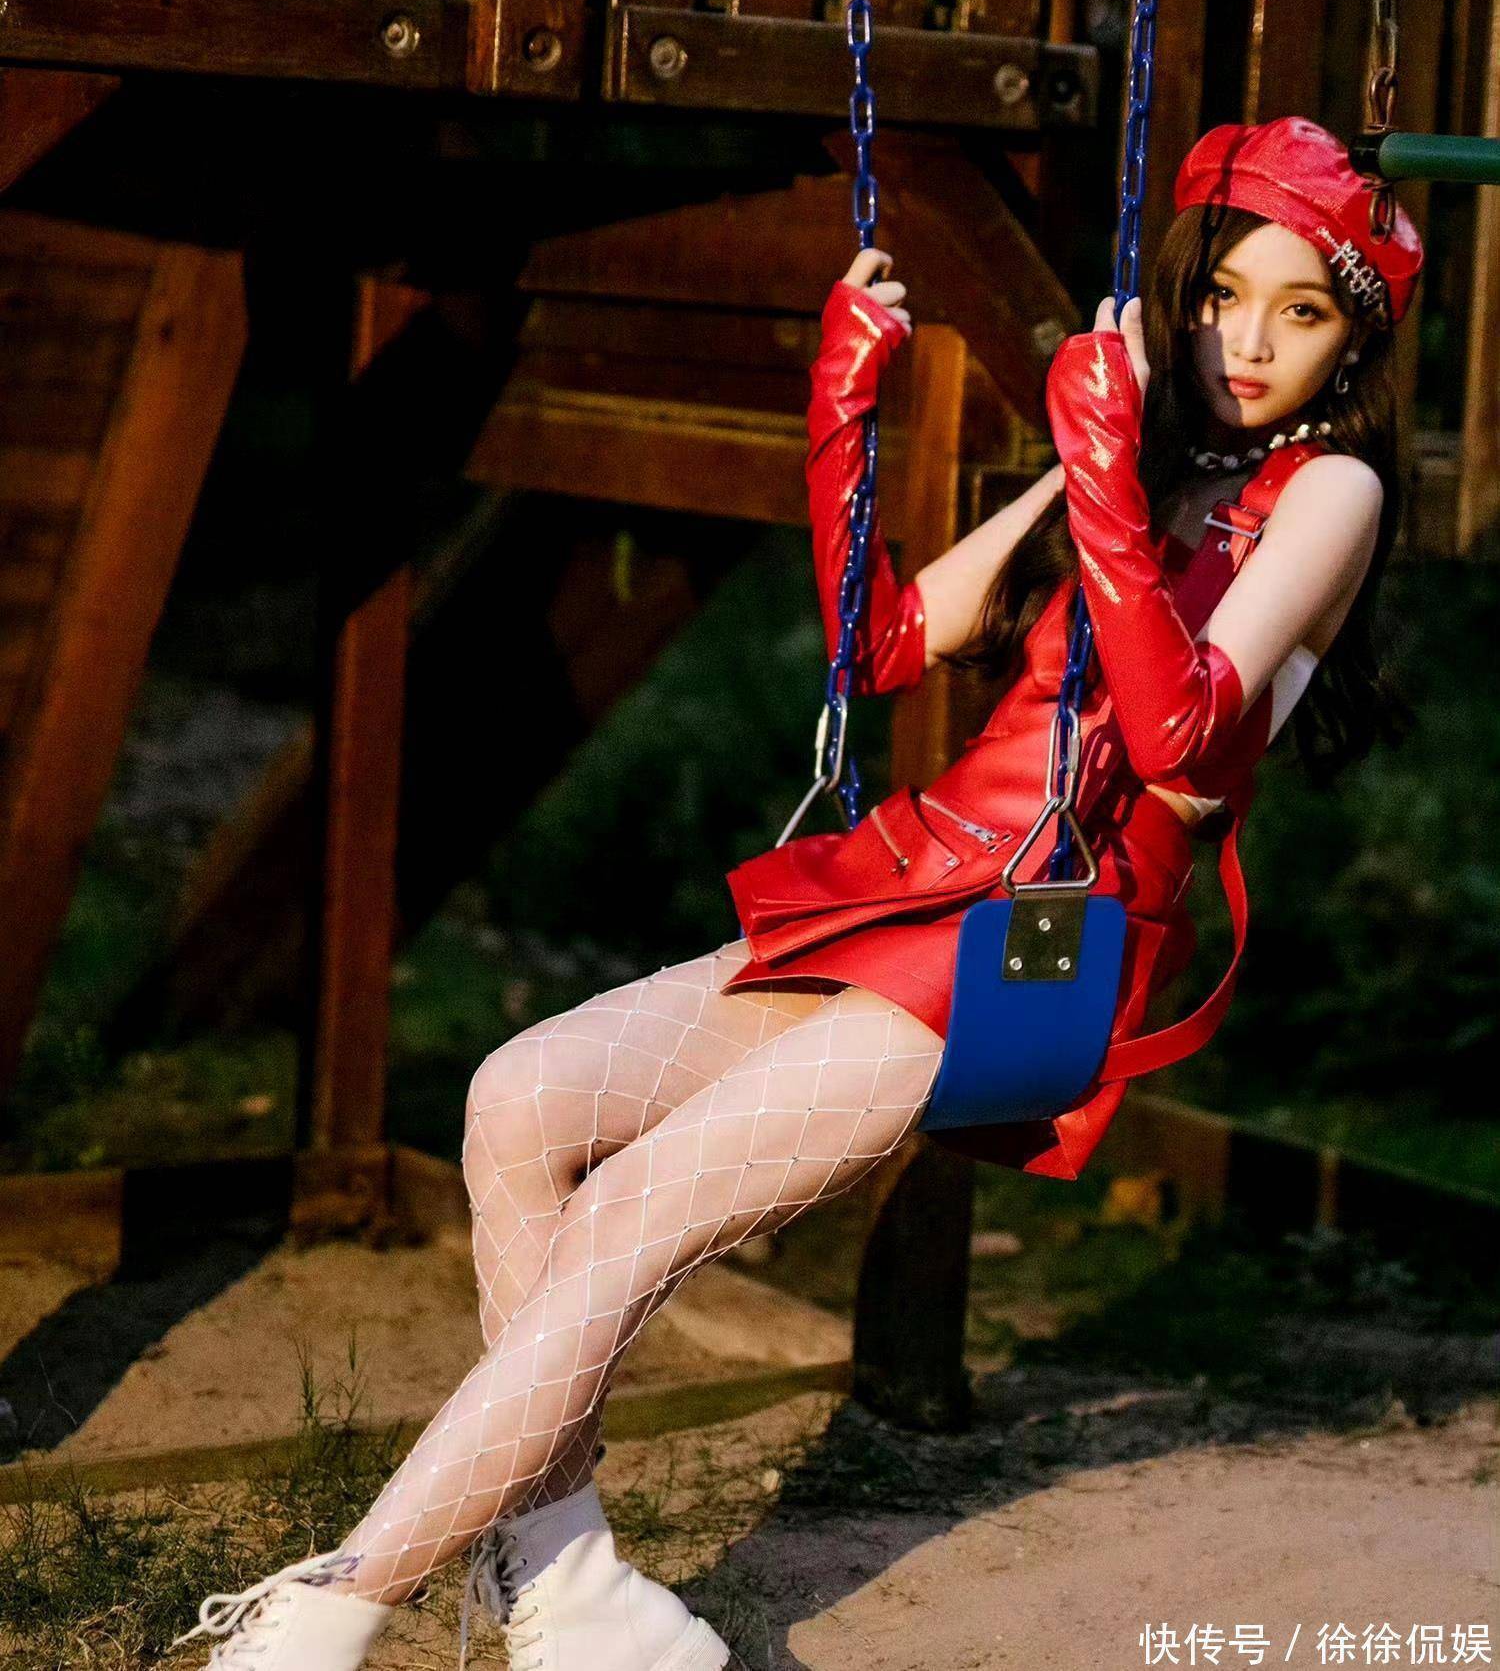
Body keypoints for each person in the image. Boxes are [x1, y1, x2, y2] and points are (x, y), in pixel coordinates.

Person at [167, 117, 1422, 1671]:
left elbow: (1180, 729)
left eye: (1300, 312)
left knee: (630, 1211)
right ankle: (571, 1584)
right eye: (1223, 296)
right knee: (516, 1095)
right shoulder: (1139, 450)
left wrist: (1100, 470)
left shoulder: (1330, 495)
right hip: (910, 875)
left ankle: (329, 1611)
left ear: (1354, 340)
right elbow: (878, 643)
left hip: (1029, 946)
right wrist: (846, 408)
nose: (1247, 343)